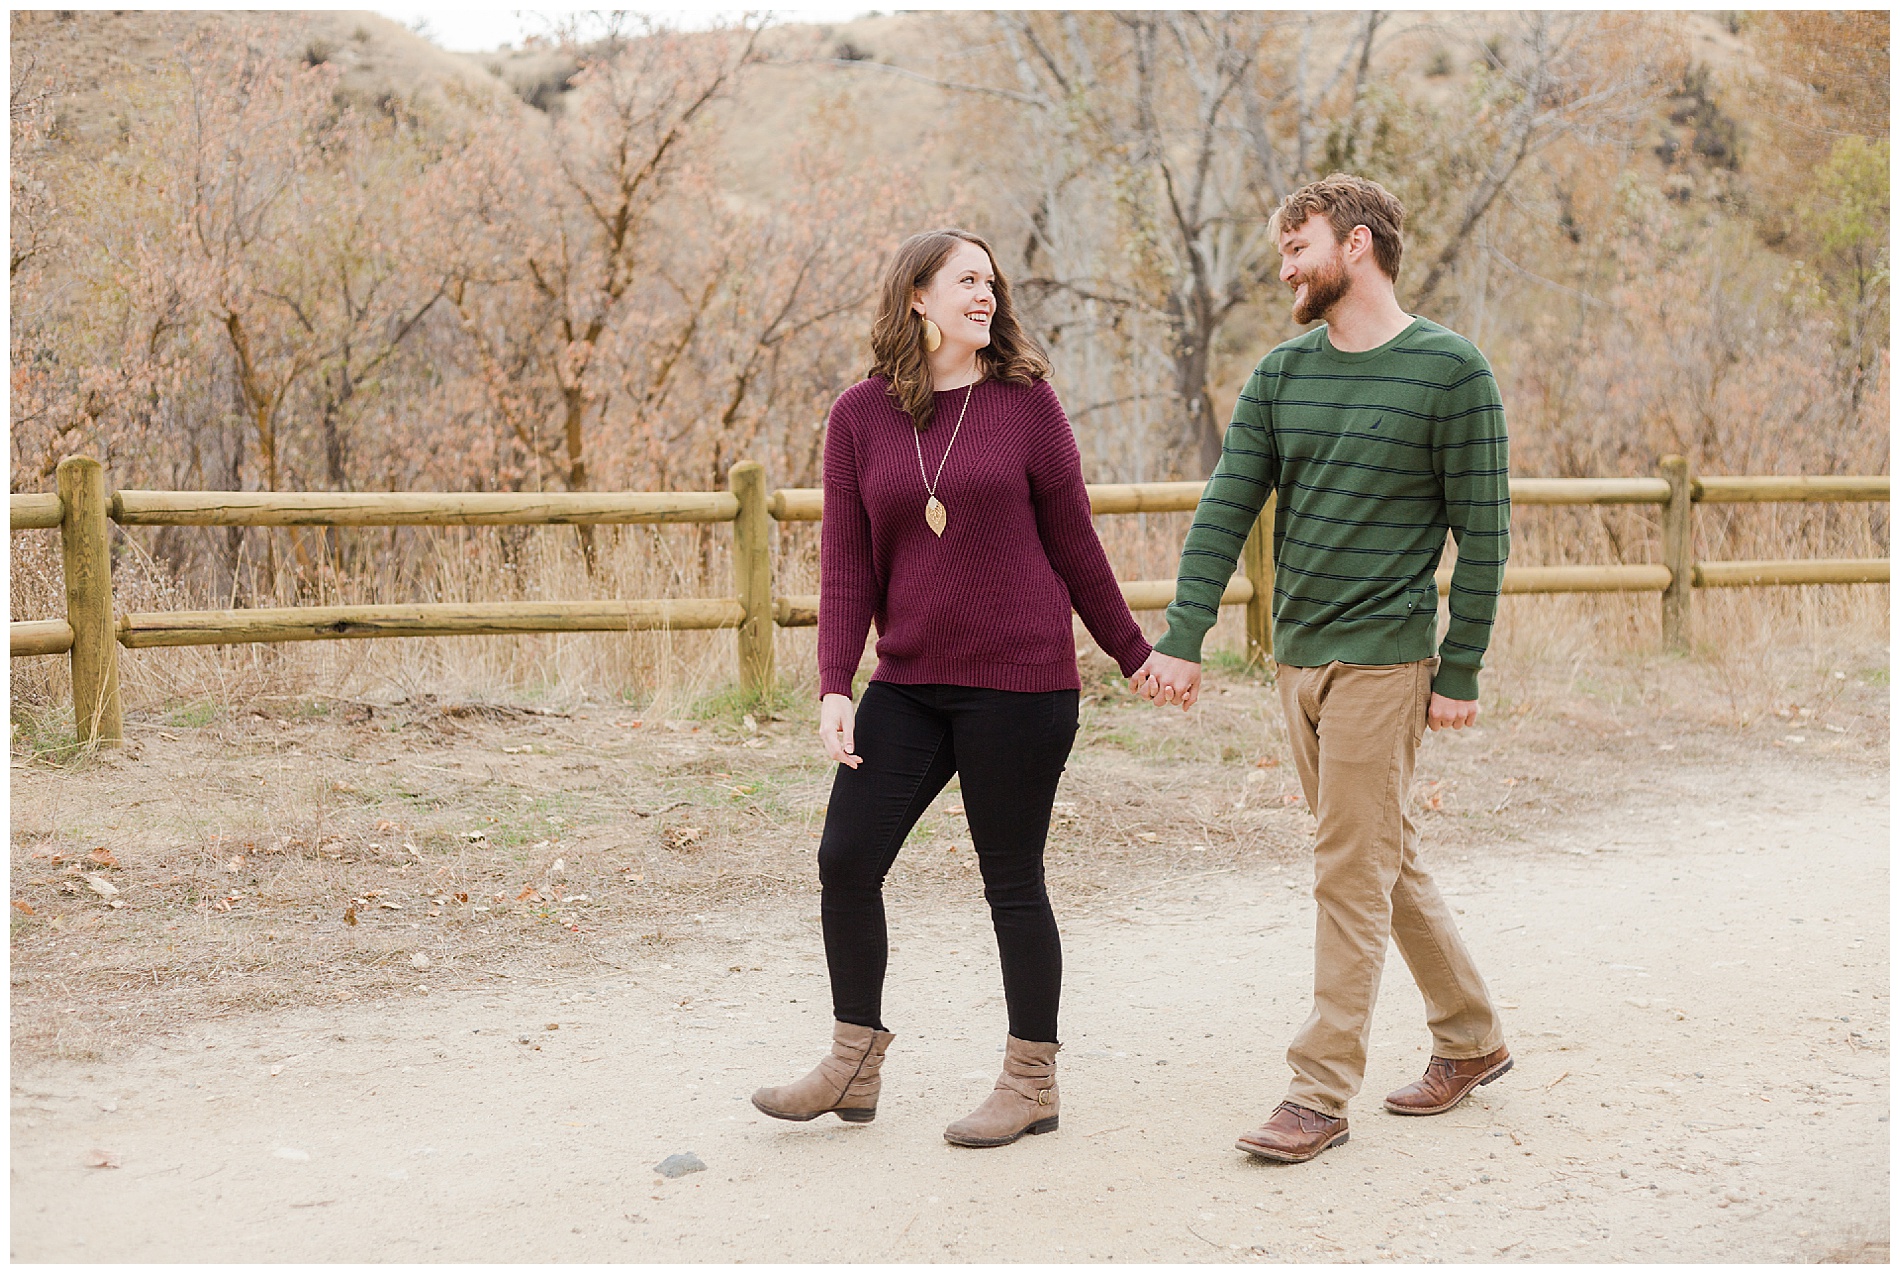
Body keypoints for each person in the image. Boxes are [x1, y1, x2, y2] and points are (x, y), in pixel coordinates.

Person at [1131, 173, 1513, 1164]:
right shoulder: (1280, 374)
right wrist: (1183, 634)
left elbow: (1485, 532)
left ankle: (1317, 1090)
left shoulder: (1450, 370)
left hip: (1386, 655)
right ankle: (1470, 1039)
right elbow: (1225, 507)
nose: (1285, 267)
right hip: (1297, 658)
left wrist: (1458, 665)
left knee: (1346, 868)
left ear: (1354, 245)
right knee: (1380, 852)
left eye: (1296, 246)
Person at [751, 228, 1152, 1148]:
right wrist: (832, 683)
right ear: (918, 298)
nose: (987, 292)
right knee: (846, 857)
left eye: (991, 281)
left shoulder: (1027, 405)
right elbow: (846, 564)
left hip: (1021, 682)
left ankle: (1031, 1080)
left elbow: (1076, 544)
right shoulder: (858, 416)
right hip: (909, 682)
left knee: (1011, 881)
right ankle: (854, 1062)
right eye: (966, 279)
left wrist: (1132, 655)